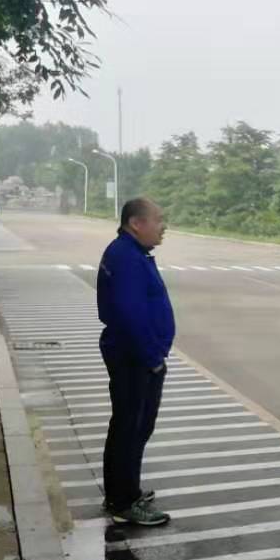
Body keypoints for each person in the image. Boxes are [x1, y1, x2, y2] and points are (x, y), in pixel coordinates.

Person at [97, 198, 174, 527]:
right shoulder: (126, 257)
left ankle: (124, 490)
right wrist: (153, 357)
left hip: (136, 354)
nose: (163, 226)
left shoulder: (130, 252)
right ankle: (123, 501)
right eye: (158, 219)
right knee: (130, 428)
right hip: (134, 356)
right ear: (136, 223)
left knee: (132, 427)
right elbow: (131, 314)